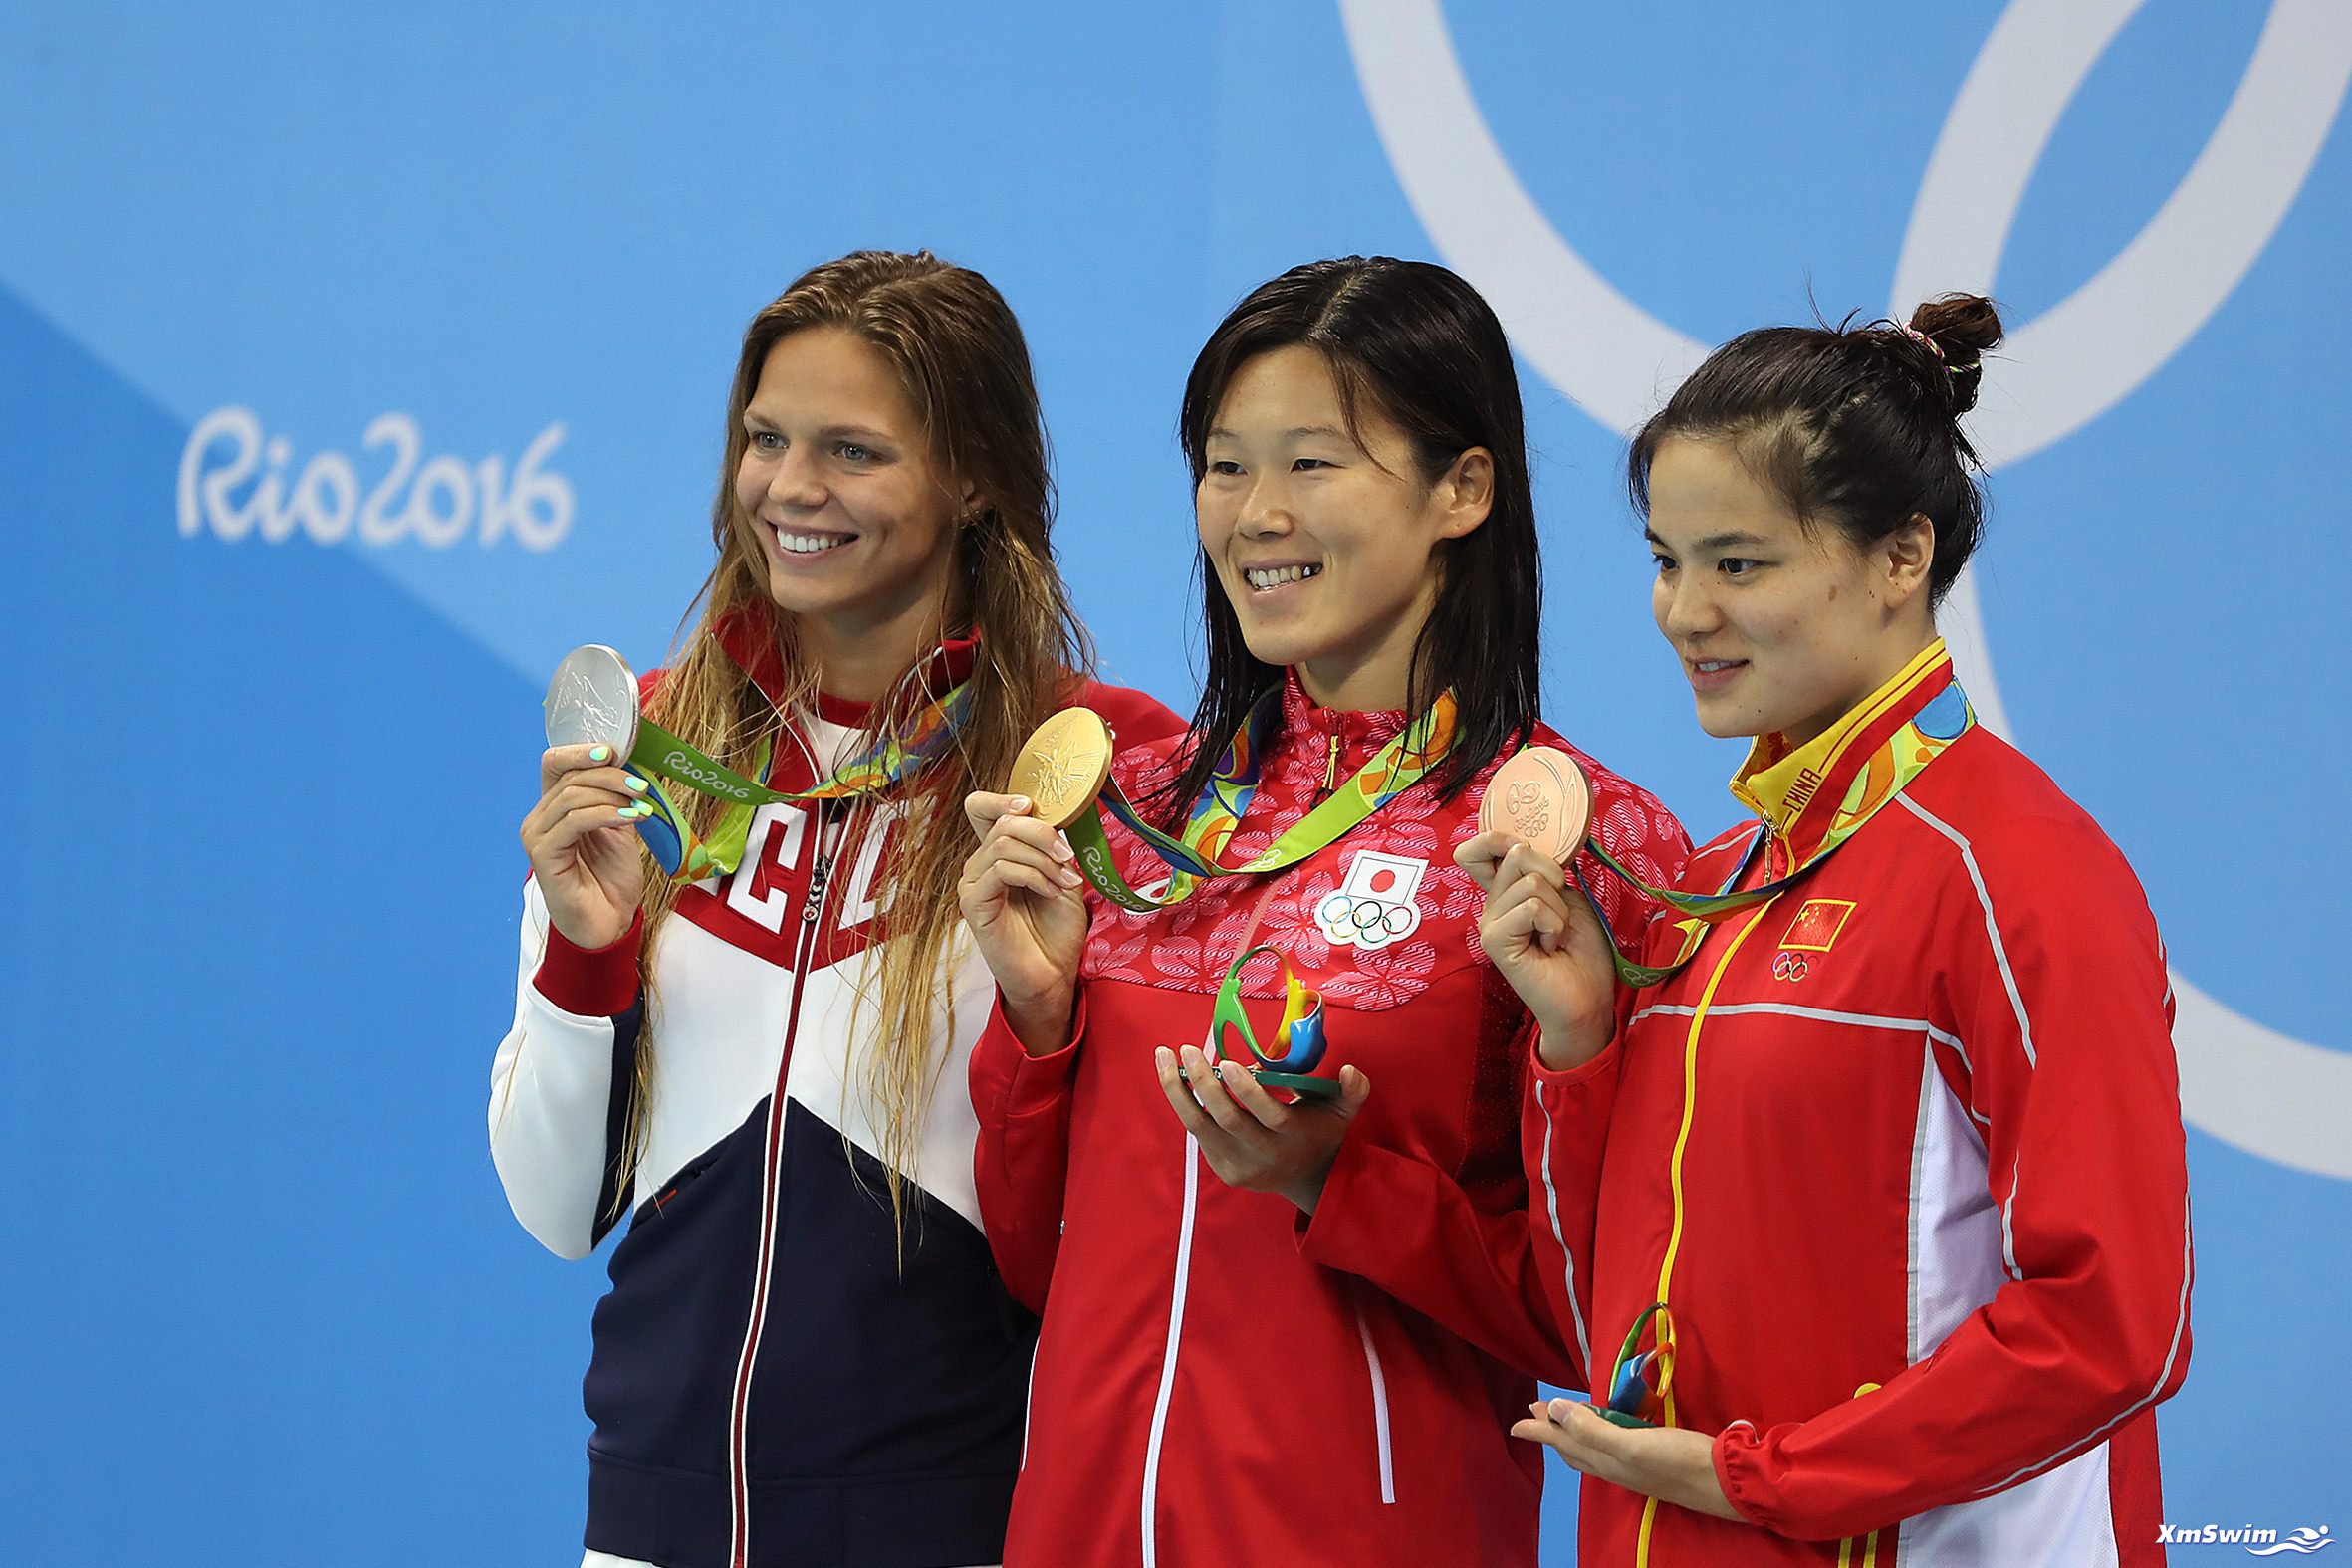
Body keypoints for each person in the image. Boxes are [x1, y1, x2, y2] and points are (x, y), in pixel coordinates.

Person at [956, 256, 1690, 1566]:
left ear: (1461, 489)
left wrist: (1334, 1184)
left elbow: (1606, 1315)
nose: (1253, 513)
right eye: (1225, 464)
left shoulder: (1572, 843)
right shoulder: (1135, 815)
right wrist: (1039, 1019)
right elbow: (1026, 1255)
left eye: (1311, 463)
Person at [489, 250, 1181, 1568]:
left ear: (973, 476)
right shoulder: (650, 749)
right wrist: (587, 969)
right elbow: (552, 1204)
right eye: (764, 437)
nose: (790, 489)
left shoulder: (1094, 767)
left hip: (950, 1521)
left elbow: (1123, 1239)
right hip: (646, 1527)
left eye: (854, 450)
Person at [1479, 296, 2193, 1564]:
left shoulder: (2020, 876)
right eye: (1664, 558)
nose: (1682, 611)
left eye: (1736, 563)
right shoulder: (1722, 882)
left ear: (1900, 557)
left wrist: (1770, 1477)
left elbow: (2112, 1325)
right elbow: (1603, 1314)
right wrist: (1583, 1047)